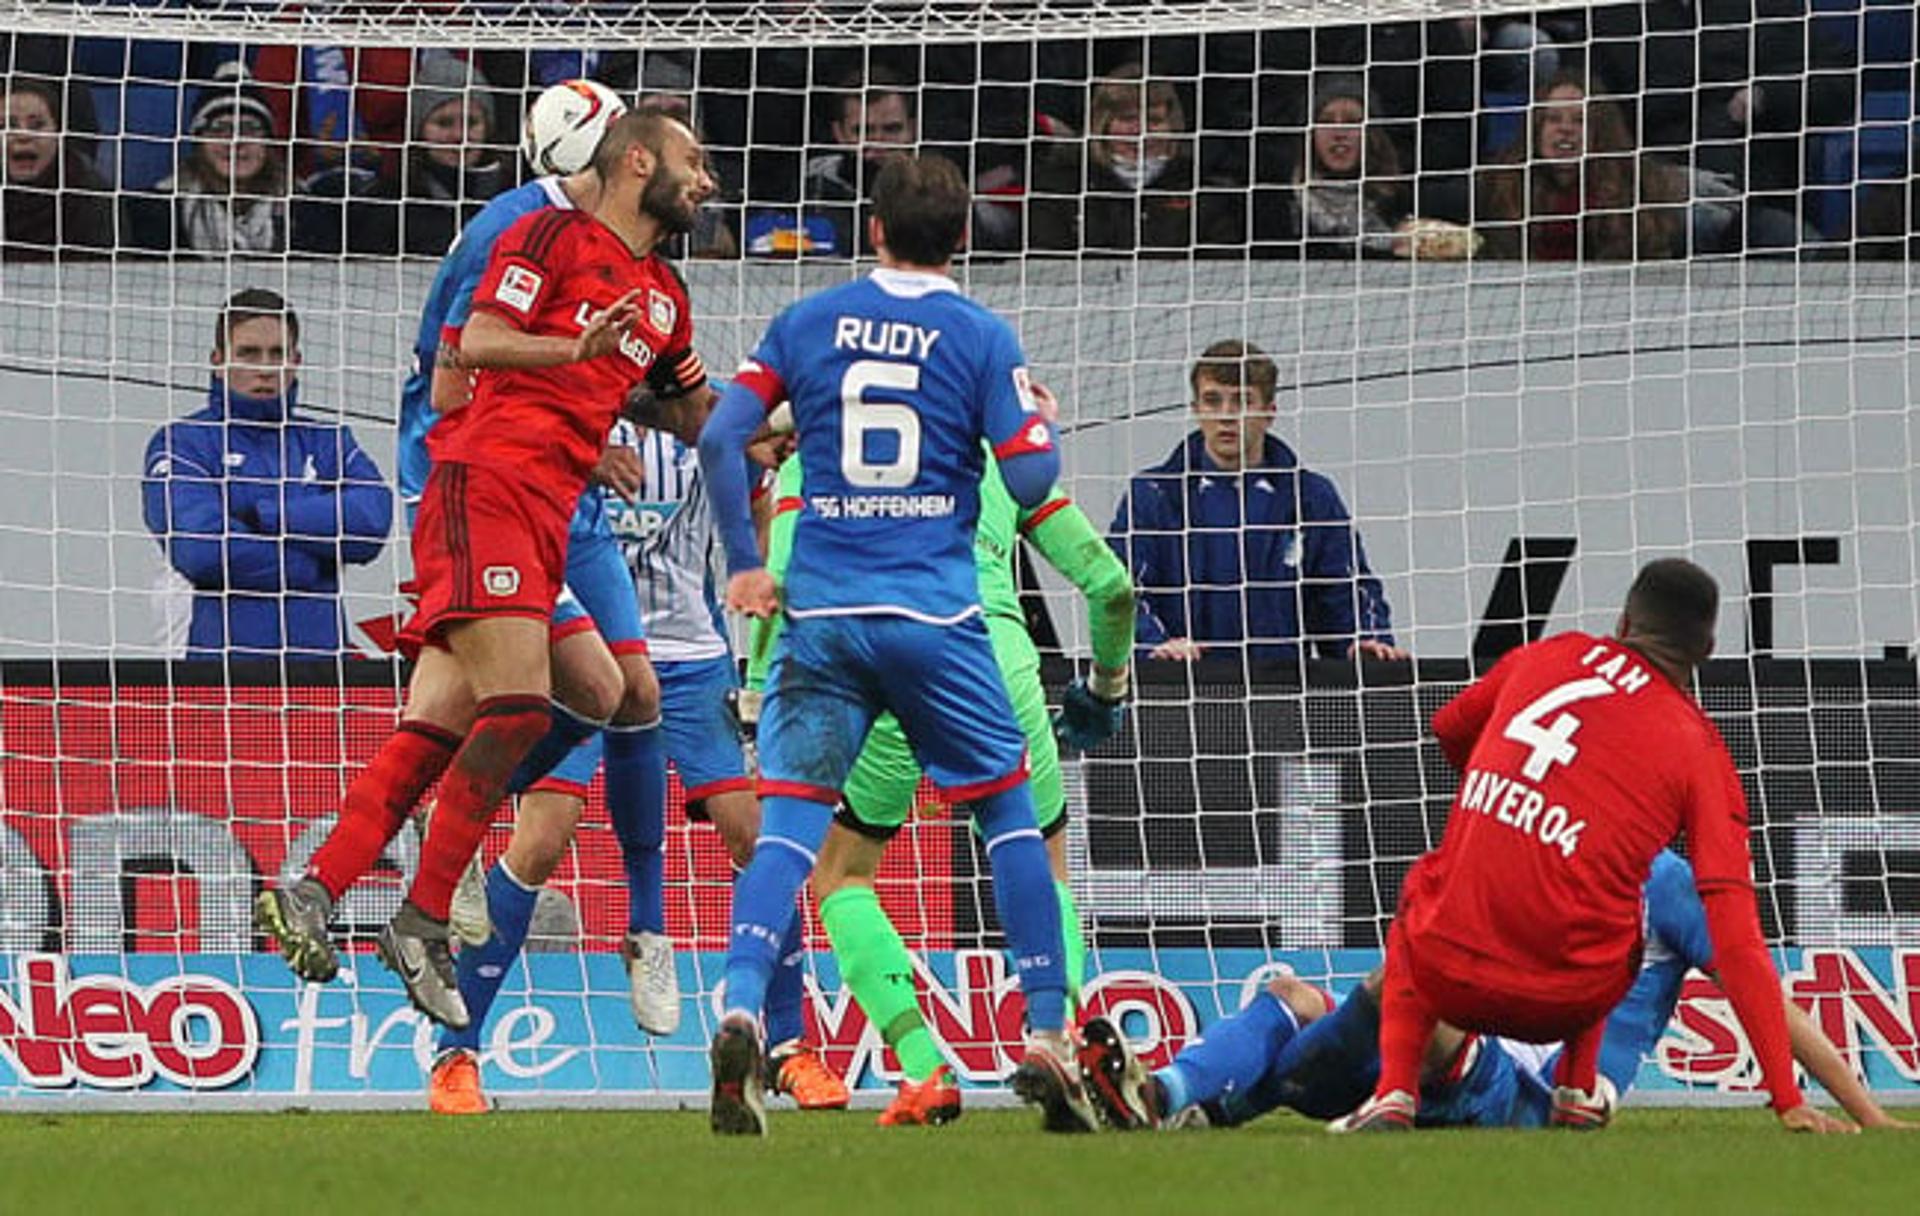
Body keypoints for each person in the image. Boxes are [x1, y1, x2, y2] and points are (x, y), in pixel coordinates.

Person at [253, 109, 716, 1029]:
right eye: (692, 161)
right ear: (635, 161)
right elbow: (477, 347)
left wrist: (786, 422)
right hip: (483, 492)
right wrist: (573, 351)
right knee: (518, 706)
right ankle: (422, 915)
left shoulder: (663, 293)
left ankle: (320, 885)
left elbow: (694, 410)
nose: (706, 180)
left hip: (549, 520)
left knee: (599, 690)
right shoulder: (543, 234)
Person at [699, 152, 1088, 1137]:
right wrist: (1031, 418)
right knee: (1006, 816)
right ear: (962, 238)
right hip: (938, 621)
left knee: (792, 834)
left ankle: (742, 1005)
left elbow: (720, 436)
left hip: (824, 620)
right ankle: (1047, 1034)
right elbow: (1033, 479)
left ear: (871, 230)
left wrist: (746, 562)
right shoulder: (980, 333)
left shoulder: (808, 323)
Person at [429, 387, 854, 1118]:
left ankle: (789, 1047)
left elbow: (757, 494)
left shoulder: (704, 417)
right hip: (582, 654)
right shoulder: (565, 408)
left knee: (754, 832)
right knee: (538, 842)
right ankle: (454, 1055)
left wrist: (752, 609)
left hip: (688, 657)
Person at [1334, 558, 1845, 1132]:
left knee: (1429, 881)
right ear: (1706, 649)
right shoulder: (1700, 749)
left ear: (1624, 621)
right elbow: (1738, 940)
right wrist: (1786, 1097)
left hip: (1448, 979)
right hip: (1571, 999)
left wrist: (1507, 802)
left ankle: (1393, 1093)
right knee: (1618, 907)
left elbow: (1450, 729)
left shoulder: (1547, 656)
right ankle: (1576, 1089)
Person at [741, 436, 1135, 1126]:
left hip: (872, 656)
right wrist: (1105, 690)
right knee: (1044, 863)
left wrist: (753, 699)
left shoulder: (820, 451)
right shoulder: (995, 454)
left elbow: (776, 580)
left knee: (843, 872)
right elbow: (1111, 586)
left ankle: (923, 1067)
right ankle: (1059, 1037)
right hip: (991, 660)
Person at [1078, 851, 1907, 1134]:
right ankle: (1173, 1096)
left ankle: (1192, 1101)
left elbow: (1767, 999)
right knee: (1296, 993)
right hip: (1461, 1054)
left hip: (1547, 1097)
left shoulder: (1668, 882)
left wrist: (1858, 1112)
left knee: (1403, 989)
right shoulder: (1548, 853)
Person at [1107, 339, 1401, 663]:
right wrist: (1154, 645)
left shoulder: (1310, 498)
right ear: (1196, 410)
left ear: (1269, 413)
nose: (1226, 416)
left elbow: (1345, 589)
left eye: (1242, 402)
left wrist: (1364, 641)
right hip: (1178, 692)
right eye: (1212, 401)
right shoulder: (1153, 494)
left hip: (1281, 694)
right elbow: (1122, 589)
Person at [141, 289, 392, 659]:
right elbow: (201, 548)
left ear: (296, 361)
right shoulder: (182, 442)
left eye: (277, 354)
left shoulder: (327, 439)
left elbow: (370, 521)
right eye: (248, 353)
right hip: (216, 672)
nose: (264, 368)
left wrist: (264, 515)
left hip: (321, 673)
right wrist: (309, 564)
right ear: (217, 360)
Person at [1026, 64, 1242, 257]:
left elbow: (1221, 266)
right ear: (1102, 124)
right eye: (1127, 119)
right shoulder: (1059, 188)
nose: (1140, 132)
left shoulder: (1204, 191)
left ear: (1172, 126)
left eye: (1154, 121)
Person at [1475, 72, 1691, 262]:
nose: (1565, 129)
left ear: (1601, 132)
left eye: (1580, 120)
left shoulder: (1636, 187)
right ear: (1536, 128)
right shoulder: (1498, 186)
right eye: (1553, 119)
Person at [744, 67, 917, 259]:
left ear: (912, 129)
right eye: (863, 131)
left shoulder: (935, 187)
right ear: (839, 133)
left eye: (892, 129)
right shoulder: (807, 187)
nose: (878, 141)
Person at [124, 66, 289, 254]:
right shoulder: (152, 213)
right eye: (220, 129)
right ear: (199, 142)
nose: (235, 141)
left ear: (267, 142)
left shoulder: (305, 209)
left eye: (249, 128)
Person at [2, 76, 113, 259]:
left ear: (58, 134)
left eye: (36, 125)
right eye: (8, 125)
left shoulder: (91, 194)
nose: (22, 135)